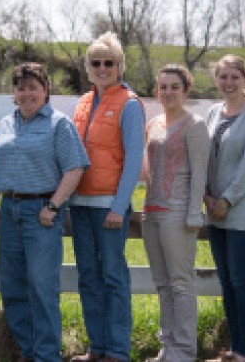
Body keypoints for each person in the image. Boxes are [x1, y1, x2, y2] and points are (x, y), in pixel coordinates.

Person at [0, 62, 89, 362]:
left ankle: (46, 354)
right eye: (21, 87)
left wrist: (54, 205)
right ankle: (27, 351)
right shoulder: (5, 124)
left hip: (41, 211)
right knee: (13, 284)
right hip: (9, 210)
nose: (27, 93)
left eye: (33, 87)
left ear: (46, 91)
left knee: (42, 286)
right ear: (14, 93)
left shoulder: (59, 124)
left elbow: (74, 169)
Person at [69, 33, 145, 362]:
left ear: (119, 66)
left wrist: (119, 205)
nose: (102, 68)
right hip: (80, 203)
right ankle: (96, 347)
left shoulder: (129, 103)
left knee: (113, 276)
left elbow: (133, 160)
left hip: (109, 206)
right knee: (88, 275)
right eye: (96, 62)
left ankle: (117, 349)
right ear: (88, 68)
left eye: (109, 63)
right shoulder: (83, 102)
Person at [202, 55, 245, 362]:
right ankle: (232, 348)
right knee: (226, 280)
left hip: (240, 209)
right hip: (215, 209)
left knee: (240, 279)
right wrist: (208, 197)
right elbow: (207, 158)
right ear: (216, 80)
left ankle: (244, 350)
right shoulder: (214, 112)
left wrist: (227, 200)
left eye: (235, 77)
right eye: (223, 77)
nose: (229, 83)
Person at [142, 64, 210, 362]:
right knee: (161, 282)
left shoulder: (194, 124)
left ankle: (183, 350)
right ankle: (167, 346)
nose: (167, 92)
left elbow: (200, 173)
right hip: (151, 211)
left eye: (174, 86)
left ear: (186, 90)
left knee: (181, 282)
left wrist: (195, 212)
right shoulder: (154, 123)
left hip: (179, 211)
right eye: (163, 86)